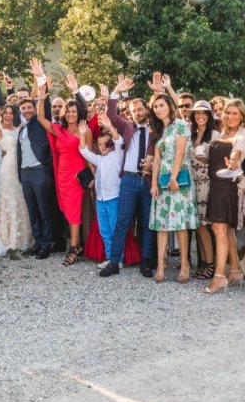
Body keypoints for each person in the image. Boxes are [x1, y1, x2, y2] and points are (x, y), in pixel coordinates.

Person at [99, 77, 157, 278]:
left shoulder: (156, 129)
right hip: (130, 180)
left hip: (149, 181)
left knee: (147, 223)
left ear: (147, 110)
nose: (137, 113)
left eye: (140, 109)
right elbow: (111, 115)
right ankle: (114, 261)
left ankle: (146, 262)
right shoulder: (128, 127)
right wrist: (115, 92)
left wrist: (158, 92)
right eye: (133, 111)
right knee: (122, 221)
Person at [36, 76, 88, 266]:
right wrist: (41, 98)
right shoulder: (59, 129)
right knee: (67, 211)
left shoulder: (85, 130)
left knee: (74, 212)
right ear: (64, 113)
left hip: (76, 175)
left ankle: (74, 247)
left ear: (78, 112)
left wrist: (91, 176)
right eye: (69, 111)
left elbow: (90, 154)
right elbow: (41, 118)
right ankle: (77, 244)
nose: (71, 114)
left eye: (74, 111)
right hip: (62, 175)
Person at [201, 98, 245, 294]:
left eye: (234, 114)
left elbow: (239, 151)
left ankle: (219, 276)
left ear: (241, 116)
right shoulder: (220, 132)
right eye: (227, 113)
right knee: (227, 231)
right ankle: (236, 270)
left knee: (219, 228)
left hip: (228, 185)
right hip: (215, 184)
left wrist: (234, 161)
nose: (230, 116)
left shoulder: (243, 134)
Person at [148, 93, 197, 283]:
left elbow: (180, 152)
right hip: (162, 181)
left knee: (180, 225)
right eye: (155, 107)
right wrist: (153, 183)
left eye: (161, 105)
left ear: (169, 105)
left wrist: (174, 177)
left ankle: (185, 264)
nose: (159, 109)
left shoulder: (181, 125)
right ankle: (161, 265)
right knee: (161, 225)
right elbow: (157, 159)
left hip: (178, 181)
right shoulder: (161, 129)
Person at [16, 59, 58, 259]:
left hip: (41, 171)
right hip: (25, 173)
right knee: (32, 211)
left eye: (29, 108)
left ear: (33, 108)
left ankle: (47, 244)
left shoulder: (40, 122)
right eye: (23, 109)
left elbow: (45, 104)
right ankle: (38, 240)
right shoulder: (22, 127)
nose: (26, 111)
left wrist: (40, 77)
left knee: (44, 210)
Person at [0, 93, 34, 251]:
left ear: (14, 115)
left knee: (20, 200)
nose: (7, 115)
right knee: (7, 200)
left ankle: (21, 238)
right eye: (5, 113)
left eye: (10, 113)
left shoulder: (19, 129)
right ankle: (7, 238)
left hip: (19, 169)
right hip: (6, 169)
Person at [79, 113, 124, 269]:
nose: (102, 147)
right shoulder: (99, 159)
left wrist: (110, 127)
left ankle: (117, 259)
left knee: (114, 228)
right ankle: (110, 257)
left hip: (114, 198)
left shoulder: (117, 155)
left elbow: (119, 140)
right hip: (101, 199)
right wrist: (83, 134)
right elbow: (84, 151)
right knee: (105, 230)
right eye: (99, 144)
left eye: (106, 143)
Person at [189, 100, 217, 279]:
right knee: (197, 225)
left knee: (203, 225)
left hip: (206, 182)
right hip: (192, 182)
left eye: (204, 113)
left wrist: (206, 160)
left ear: (209, 116)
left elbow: (219, 159)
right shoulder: (191, 133)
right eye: (197, 113)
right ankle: (204, 262)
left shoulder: (214, 134)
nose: (200, 116)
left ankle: (210, 264)